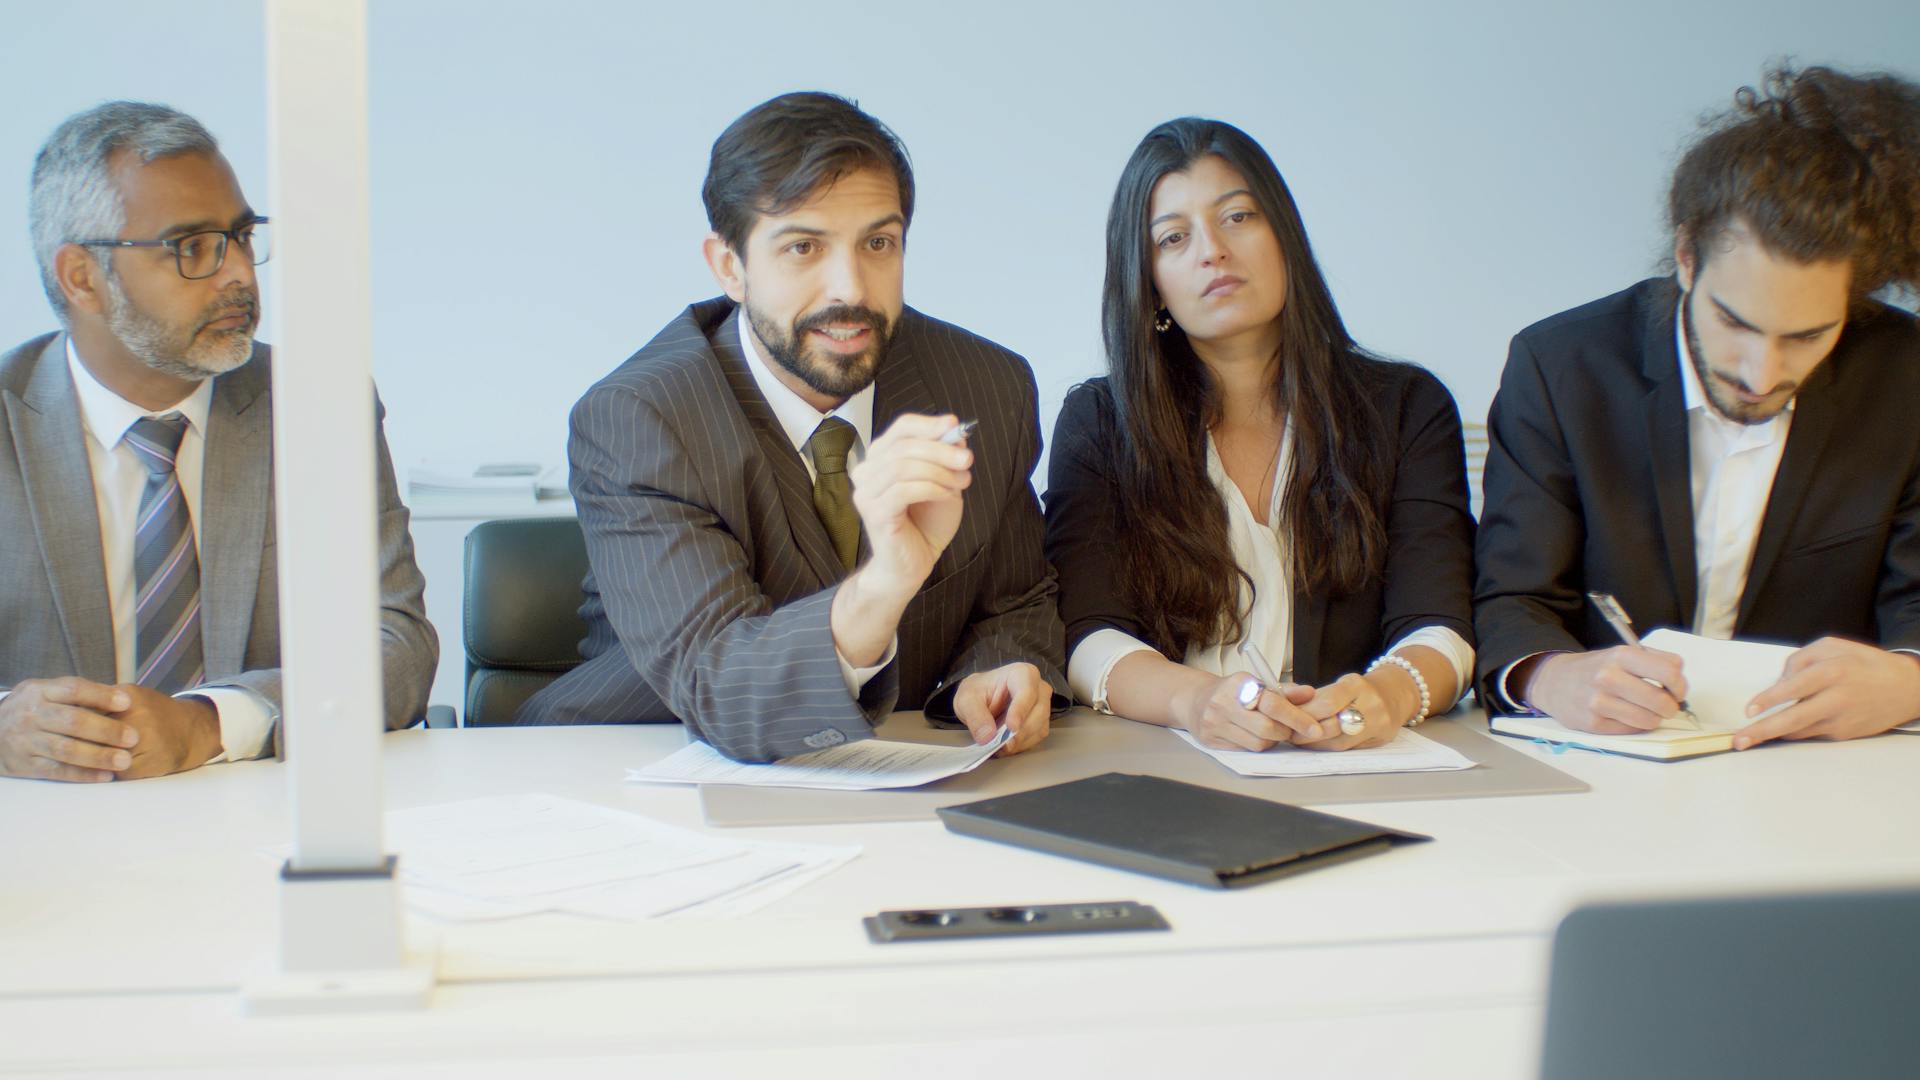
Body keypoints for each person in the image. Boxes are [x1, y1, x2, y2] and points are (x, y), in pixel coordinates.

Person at [519, 92, 1066, 761]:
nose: (850, 289)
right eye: (803, 247)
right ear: (730, 267)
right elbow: (719, 683)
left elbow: (1014, 599)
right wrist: (885, 581)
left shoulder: (986, 385)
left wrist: (993, 671)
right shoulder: (642, 419)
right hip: (644, 765)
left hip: (907, 779)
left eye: (879, 243)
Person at [1474, 65, 1920, 748]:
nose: (1761, 373)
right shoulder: (1564, 367)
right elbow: (1514, 597)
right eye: (1735, 323)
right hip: (1610, 765)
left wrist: (1908, 679)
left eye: (1807, 337)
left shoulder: (1903, 378)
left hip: (1827, 768)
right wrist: (1551, 676)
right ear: (1686, 258)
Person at [0, 102, 437, 782]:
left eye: (241, 236)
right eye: (193, 247)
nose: (240, 273)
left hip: (259, 817)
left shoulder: (316, 406)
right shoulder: (9, 417)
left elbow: (397, 645)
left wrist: (208, 723)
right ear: (82, 277)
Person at [1044, 118, 1475, 753]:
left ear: (1285, 237)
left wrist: (1386, 695)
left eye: (1238, 217)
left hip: (1366, 762)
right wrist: (1196, 702)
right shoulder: (1101, 423)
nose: (1211, 250)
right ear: (1151, 285)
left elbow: (1441, 622)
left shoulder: (1406, 407)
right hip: (1167, 761)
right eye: (1173, 238)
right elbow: (1088, 634)